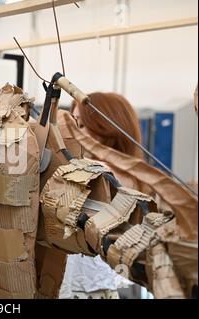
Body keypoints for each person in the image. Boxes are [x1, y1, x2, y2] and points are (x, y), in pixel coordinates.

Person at [59, 92, 144, 299]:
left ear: (105, 129)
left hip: (94, 288)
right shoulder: (128, 174)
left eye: (80, 125)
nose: (73, 133)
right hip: (76, 282)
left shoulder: (105, 174)